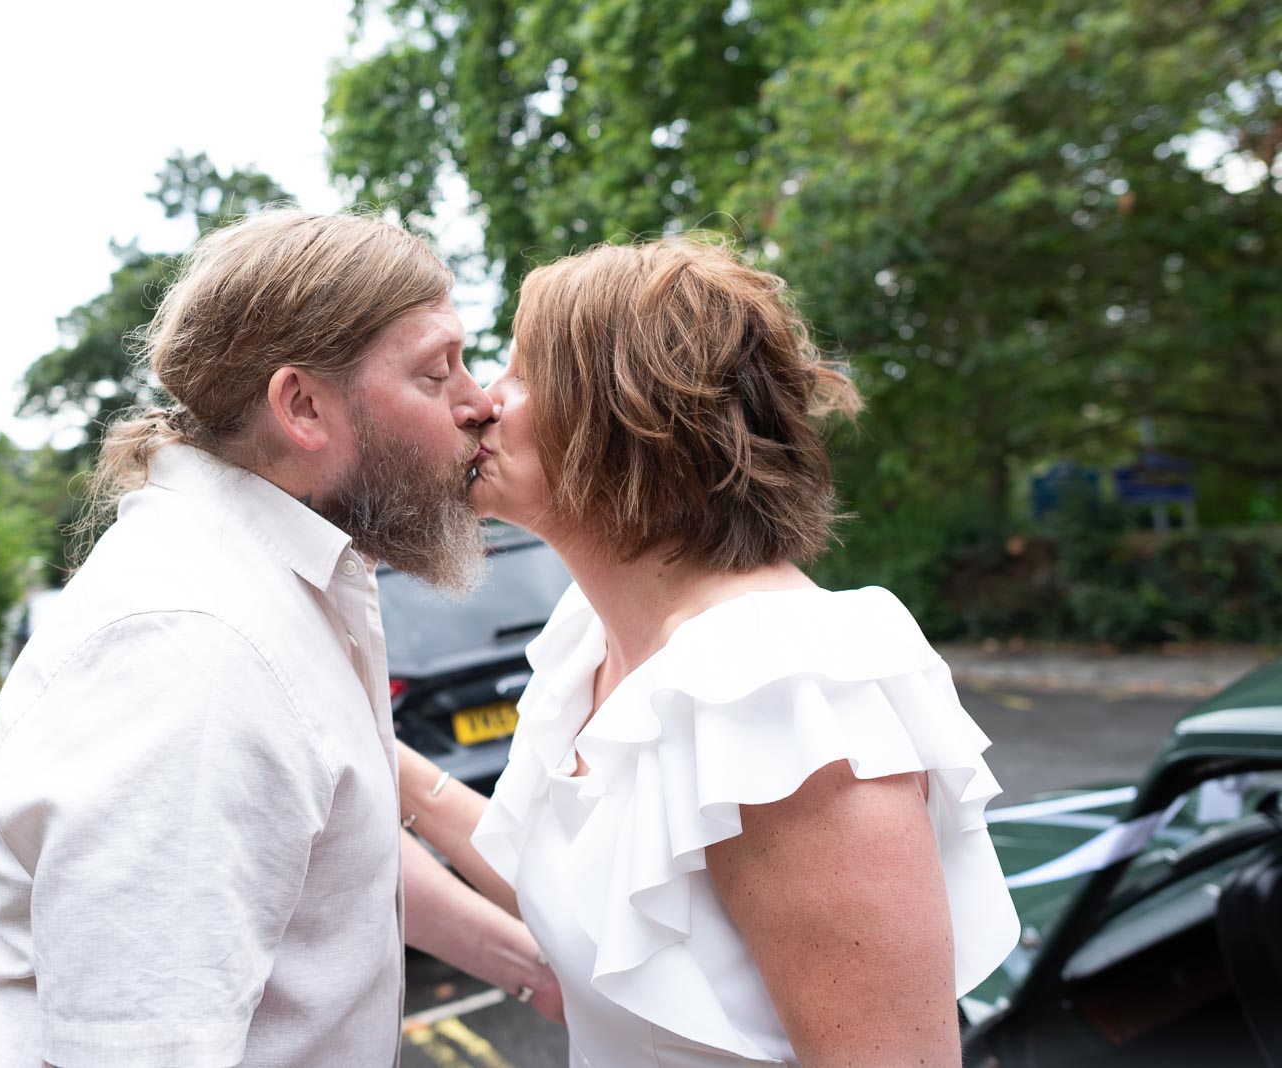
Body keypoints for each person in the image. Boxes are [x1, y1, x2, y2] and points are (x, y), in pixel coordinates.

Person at [0, 209, 558, 1068]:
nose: (480, 402)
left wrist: (530, 968)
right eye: (435, 372)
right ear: (302, 405)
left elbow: (330, 856)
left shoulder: (276, 573)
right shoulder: (194, 656)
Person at [413, 236, 1020, 1066]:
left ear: (623, 412)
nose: (482, 402)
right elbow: (586, 886)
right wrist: (382, 762)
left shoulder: (781, 691)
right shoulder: (589, 648)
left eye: (521, 374)